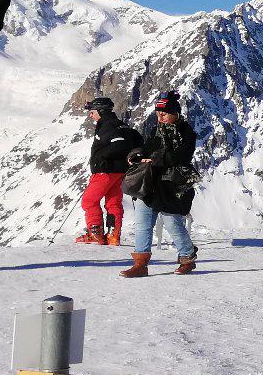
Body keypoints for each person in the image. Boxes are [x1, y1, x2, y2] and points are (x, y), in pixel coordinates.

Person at [121, 92, 199, 277]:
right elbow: (147, 147)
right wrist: (138, 155)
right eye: (158, 113)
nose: (160, 117)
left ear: (175, 113)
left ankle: (187, 256)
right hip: (150, 185)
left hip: (172, 186)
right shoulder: (156, 129)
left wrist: (154, 159)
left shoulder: (186, 132)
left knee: (172, 223)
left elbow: (181, 157)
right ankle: (140, 264)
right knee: (143, 224)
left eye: (164, 113)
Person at [77, 97, 141, 245]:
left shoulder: (107, 124)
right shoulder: (120, 124)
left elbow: (120, 145)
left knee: (89, 200)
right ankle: (113, 235)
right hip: (120, 172)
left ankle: (95, 234)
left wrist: (101, 157)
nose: (90, 115)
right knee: (113, 202)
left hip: (105, 171)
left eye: (92, 112)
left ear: (100, 111)